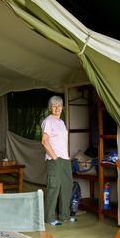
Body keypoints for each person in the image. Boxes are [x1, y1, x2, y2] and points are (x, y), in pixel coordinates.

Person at [41, 95, 75, 226]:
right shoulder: (48, 121)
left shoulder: (61, 122)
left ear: (62, 108)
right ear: (50, 108)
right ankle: (49, 218)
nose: (57, 108)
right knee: (53, 187)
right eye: (54, 106)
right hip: (54, 159)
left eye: (59, 106)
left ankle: (65, 216)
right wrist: (55, 157)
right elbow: (44, 141)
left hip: (65, 159)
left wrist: (65, 157)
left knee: (66, 187)